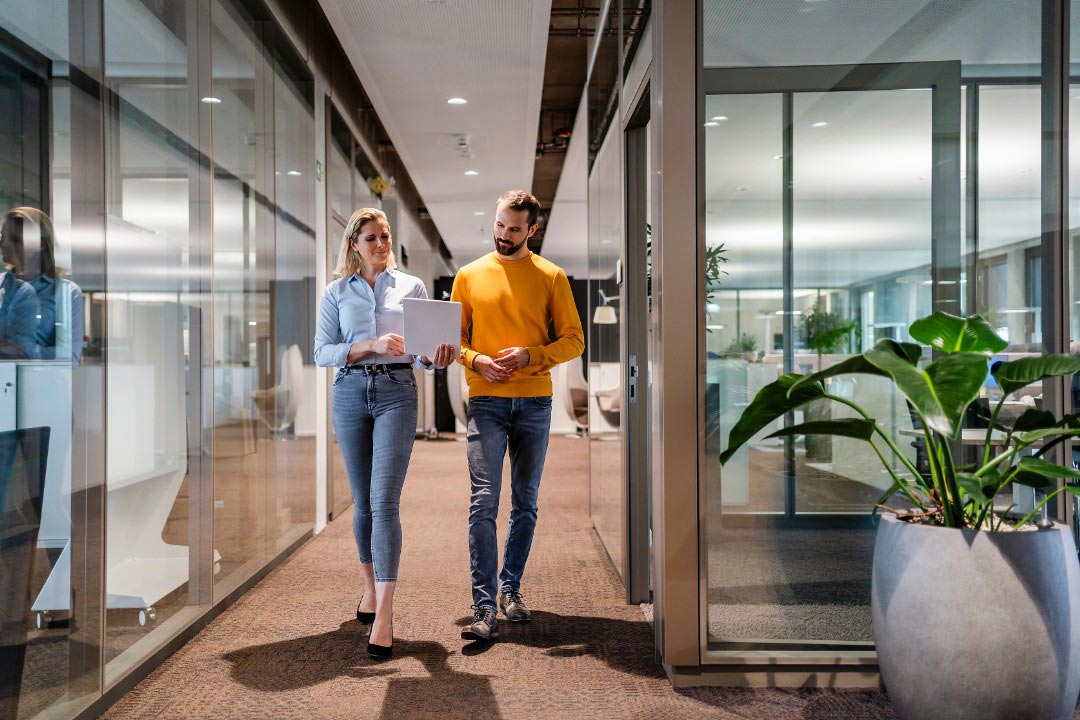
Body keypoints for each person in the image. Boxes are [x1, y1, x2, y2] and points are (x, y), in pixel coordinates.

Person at [314, 207, 454, 660]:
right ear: (354, 244)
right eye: (371, 238)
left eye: (385, 236)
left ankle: (386, 613)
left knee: (384, 502)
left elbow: (422, 354)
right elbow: (322, 352)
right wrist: (368, 345)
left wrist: (437, 357)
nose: (381, 244)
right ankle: (370, 589)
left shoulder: (410, 287)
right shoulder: (336, 292)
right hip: (351, 393)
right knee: (362, 502)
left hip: (397, 392)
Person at [452, 189, 584, 641]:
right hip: (486, 400)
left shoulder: (551, 276)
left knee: (525, 503)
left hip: (534, 403)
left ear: (532, 229)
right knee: (483, 503)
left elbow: (573, 340)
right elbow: (454, 342)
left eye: (513, 229)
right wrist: (477, 362)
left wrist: (530, 355)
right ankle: (484, 607)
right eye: (499, 225)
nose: (503, 235)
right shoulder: (469, 275)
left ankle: (511, 589)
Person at [0, 208, 83, 364]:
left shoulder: (66, 292)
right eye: (2, 237)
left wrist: (20, 350)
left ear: (40, 244)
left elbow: (69, 357)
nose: (3, 244)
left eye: (15, 239)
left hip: (41, 385)